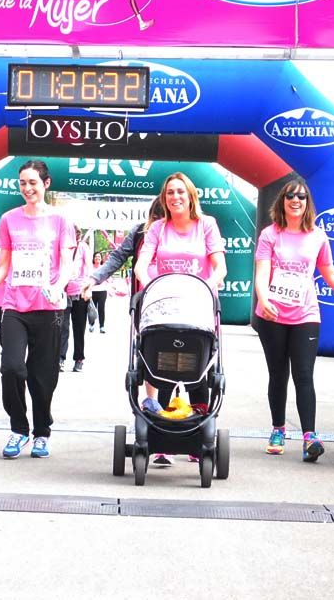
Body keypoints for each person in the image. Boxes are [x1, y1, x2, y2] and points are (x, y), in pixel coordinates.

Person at [252, 181, 334, 463]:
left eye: (302, 196)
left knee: (304, 374)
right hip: (272, 315)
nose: (296, 200)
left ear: (308, 203)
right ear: (282, 201)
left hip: (305, 314)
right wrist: (264, 298)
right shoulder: (270, 234)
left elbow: (330, 274)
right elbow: (261, 271)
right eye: (290, 195)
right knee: (278, 373)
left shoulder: (318, 236)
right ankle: (278, 430)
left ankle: (309, 438)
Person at [0, 160, 75, 460]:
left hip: (49, 307)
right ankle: (18, 428)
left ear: (46, 184)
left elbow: (66, 262)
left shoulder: (61, 221)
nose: (27, 189)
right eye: (23, 183)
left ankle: (41, 433)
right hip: (14, 304)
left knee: (43, 377)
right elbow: (4, 265)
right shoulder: (9, 219)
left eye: (33, 183)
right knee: (12, 367)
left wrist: (59, 285)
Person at [133, 175, 226, 465]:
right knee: (162, 362)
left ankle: (196, 433)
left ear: (190, 196)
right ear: (164, 198)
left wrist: (206, 288)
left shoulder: (206, 225)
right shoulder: (158, 228)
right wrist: (152, 285)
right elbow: (141, 265)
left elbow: (219, 267)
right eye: (170, 192)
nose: (175, 197)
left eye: (180, 192)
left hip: (196, 304)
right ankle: (160, 431)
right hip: (165, 304)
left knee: (197, 365)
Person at [60, 228, 93, 372]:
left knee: (79, 328)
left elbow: (89, 268)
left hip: (79, 292)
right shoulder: (63, 247)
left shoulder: (83, 248)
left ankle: (79, 359)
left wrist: (88, 288)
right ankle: (60, 358)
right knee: (63, 328)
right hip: (64, 292)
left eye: (77, 233)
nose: (75, 236)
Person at [90, 252, 109, 333]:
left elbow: (108, 278)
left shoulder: (104, 268)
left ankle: (102, 326)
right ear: (93, 259)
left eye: (99, 257)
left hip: (102, 291)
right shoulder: (90, 268)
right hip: (92, 291)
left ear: (101, 259)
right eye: (96, 257)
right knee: (92, 309)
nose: (97, 258)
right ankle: (92, 324)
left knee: (101, 309)